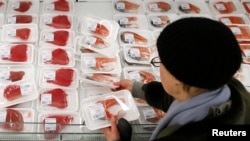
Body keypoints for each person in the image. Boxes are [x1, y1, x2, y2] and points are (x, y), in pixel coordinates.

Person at [102, 17, 250, 141]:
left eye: (160, 63)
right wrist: (137, 88)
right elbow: (182, 95)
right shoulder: (226, 85)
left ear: (178, 80)